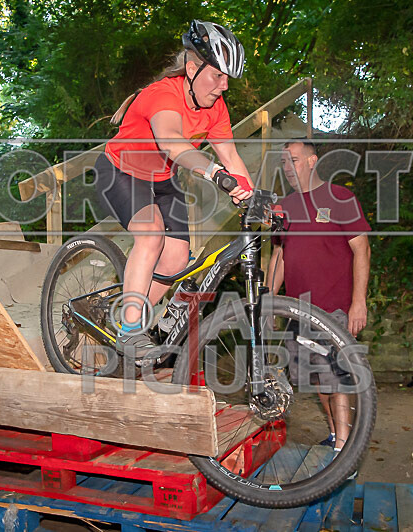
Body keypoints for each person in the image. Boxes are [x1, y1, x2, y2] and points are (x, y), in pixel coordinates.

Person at [95, 20, 254, 357]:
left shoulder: (215, 108)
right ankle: (130, 329)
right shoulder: (162, 94)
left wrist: (257, 198)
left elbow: (232, 157)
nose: (224, 86)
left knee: (177, 259)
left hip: (161, 179)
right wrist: (214, 173)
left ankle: (124, 314)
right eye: (217, 75)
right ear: (193, 68)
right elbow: (171, 142)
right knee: (151, 235)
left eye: (228, 78)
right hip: (120, 171)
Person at [267, 140, 371, 451]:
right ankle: (338, 435)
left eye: (294, 160)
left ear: (313, 161)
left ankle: (343, 449)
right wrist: (270, 301)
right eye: (284, 162)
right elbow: (279, 256)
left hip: (334, 309)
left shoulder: (340, 197)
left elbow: (362, 250)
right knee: (318, 380)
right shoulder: (283, 207)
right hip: (298, 311)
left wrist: (358, 302)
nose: (287, 167)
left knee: (336, 379)